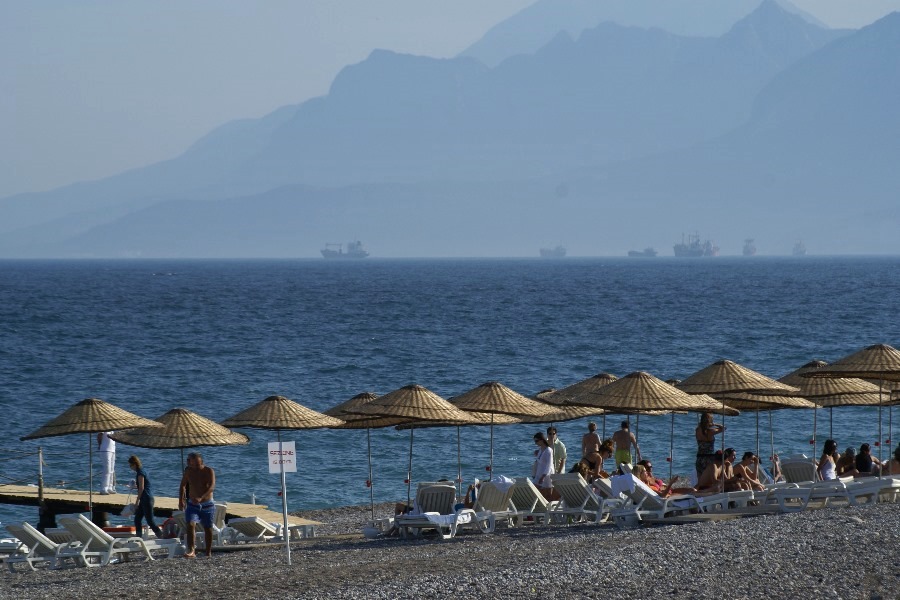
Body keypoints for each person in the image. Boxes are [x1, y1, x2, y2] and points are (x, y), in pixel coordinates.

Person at [179, 452, 216, 558]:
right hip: (192, 504)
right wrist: (181, 500)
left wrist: (202, 497)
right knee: (190, 524)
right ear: (189, 463)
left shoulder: (208, 471)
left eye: (198, 464)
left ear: (201, 462)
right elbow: (182, 486)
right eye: (193, 464)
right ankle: (191, 550)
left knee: (208, 528)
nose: (196, 467)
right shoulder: (188, 472)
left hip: (207, 504)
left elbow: (212, 487)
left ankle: (208, 552)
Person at [128, 455, 162, 538]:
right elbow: (142, 486)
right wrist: (135, 487)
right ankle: (138, 538)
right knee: (137, 519)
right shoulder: (142, 471)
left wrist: (136, 502)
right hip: (145, 498)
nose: (130, 467)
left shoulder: (140, 473)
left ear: (134, 464)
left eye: (130, 465)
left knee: (150, 521)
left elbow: (142, 488)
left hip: (146, 499)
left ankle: (161, 536)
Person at [695, 413, 725, 478]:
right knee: (709, 480)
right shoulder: (711, 431)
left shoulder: (697, 430)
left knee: (700, 480)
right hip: (709, 458)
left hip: (699, 458)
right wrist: (715, 424)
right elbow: (724, 428)